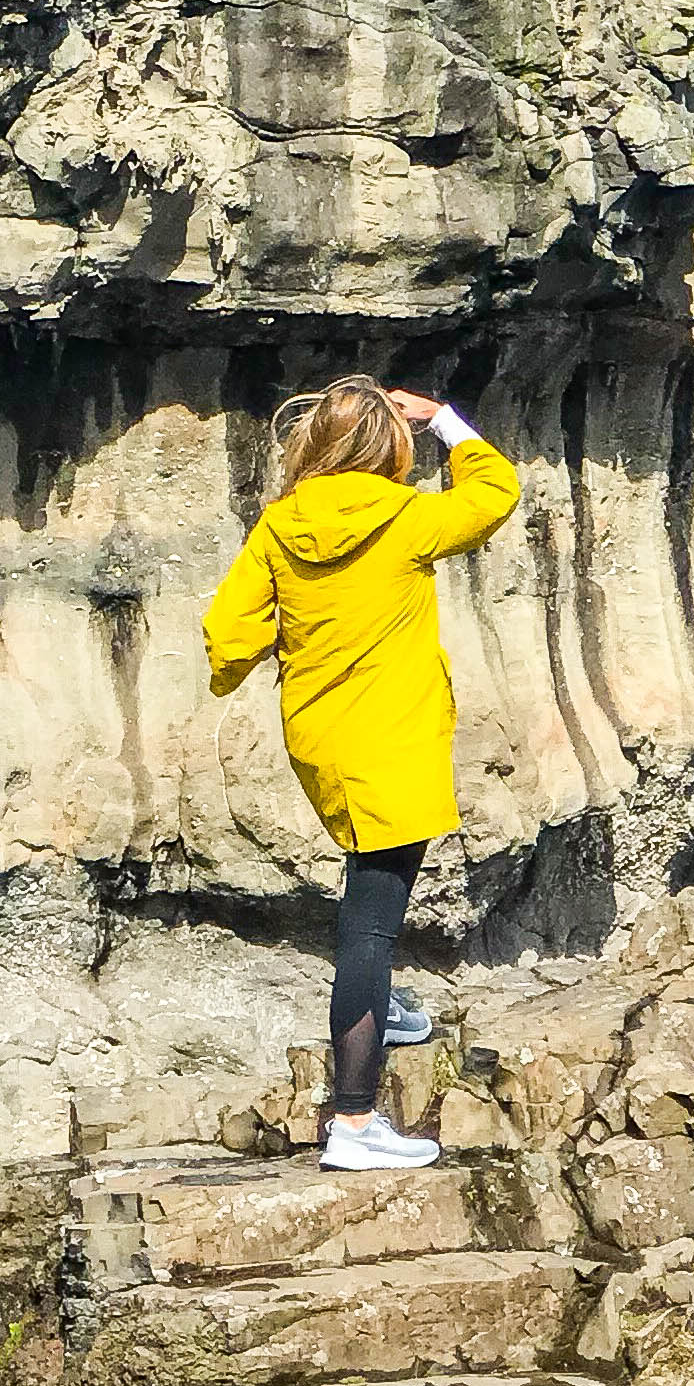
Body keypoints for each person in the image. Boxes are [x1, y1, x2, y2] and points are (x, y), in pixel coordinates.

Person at [200, 379, 520, 1171]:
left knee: (368, 890)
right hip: (394, 739)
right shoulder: (406, 518)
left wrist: (251, 661)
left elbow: (227, 632)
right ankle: (352, 1122)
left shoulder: (281, 525)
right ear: (388, 449)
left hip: (320, 737)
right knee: (369, 925)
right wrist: (446, 419)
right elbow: (495, 490)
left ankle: (396, 1014)